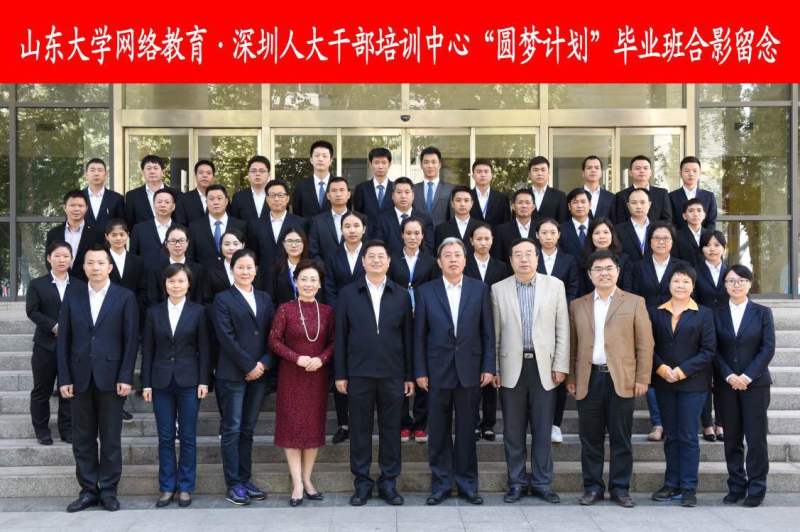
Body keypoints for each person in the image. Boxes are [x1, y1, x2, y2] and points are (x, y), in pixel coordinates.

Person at [567, 250, 654, 508]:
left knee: (621, 438)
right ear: (589, 274)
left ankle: (620, 488)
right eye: (598, 269)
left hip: (621, 379)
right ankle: (592, 487)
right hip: (589, 378)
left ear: (618, 271)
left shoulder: (634, 302)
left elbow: (645, 344)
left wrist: (642, 378)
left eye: (609, 268)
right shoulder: (578, 305)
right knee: (590, 439)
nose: (604, 273)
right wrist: (571, 376)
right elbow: (572, 345)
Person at [57, 244, 139, 513]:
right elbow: (64, 340)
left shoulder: (124, 297)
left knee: (111, 439)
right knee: (83, 439)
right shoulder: (73, 296)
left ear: (110, 267)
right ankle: (88, 490)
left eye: (100, 263)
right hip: (79, 377)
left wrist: (126, 375)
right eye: (90, 263)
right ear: (83, 267)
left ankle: (109, 490)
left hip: (112, 378)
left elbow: (130, 341)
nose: (95, 267)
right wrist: (64, 378)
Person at [414, 237, 495, 506]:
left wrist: (488, 366)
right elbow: (419, 336)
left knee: (466, 431)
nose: (452, 259)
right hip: (436, 372)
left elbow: (488, 332)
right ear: (439, 262)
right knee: (438, 432)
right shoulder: (425, 291)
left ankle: (467, 485)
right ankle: (441, 485)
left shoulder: (479, 289)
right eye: (447, 255)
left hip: (470, 370)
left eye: (457, 255)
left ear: (465, 259)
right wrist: (420, 371)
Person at [335, 241, 414, 506]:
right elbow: (340, 336)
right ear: (363, 261)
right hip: (358, 373)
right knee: (360, 430)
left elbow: (408, 338)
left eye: (382, 256)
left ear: (389, 262)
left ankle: (389, 482)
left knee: (391, 430)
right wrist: (340, 374)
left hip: (393, 373)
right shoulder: (348, 293)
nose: (377, 260)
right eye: (372, 256)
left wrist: (409, 375)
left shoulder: (401, 295)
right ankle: (362, 483)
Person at [492, 237, 569, 504]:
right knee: (513, 431)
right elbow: (495, 333)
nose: (524, 259)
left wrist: (560, 364)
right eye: (518, 254)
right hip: (511, 366)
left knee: (542, 429)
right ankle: (516, 482)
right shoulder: (498, 289)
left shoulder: (555, 286)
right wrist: (495, 367)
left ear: (537, 258)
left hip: (544, 367)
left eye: (529, 254)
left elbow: (562, 328)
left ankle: (542, 482)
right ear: (510, 260)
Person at [141, 264, 209, 508]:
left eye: (181, 281)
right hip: (160, 381)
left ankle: (186, 487)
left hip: (189, 381)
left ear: (189, 284)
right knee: (166, 437)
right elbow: (147, 350)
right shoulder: (154, 312)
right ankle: (167, 486)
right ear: (165, 284)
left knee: (188, 437)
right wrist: (146, 383)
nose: (176, 285)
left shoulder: (198, 312)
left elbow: (205, 349)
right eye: (171, 281)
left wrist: (204, 380)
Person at [269, 260, 335, 506]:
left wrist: (322, 359)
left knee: (312, 428)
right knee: (292, 428)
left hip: (317, 377)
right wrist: (296, 358)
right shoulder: (285, 309)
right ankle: (297, 483)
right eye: (304, 279)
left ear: (320, 285)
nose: (308, 284)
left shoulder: (327, 311)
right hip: (291, 376)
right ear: (295, 282)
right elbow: (274, 341)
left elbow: (334, 342)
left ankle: (307, 479)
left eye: (313, 280)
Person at [649, 265, 716, 508]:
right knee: (671, 435)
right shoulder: (656, 312)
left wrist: (682, 371)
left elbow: (708, 350)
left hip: (693, 384)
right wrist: (660, 368)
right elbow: (648, 346)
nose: (680, 285)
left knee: (688, 435)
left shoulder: (704, 314)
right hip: (664, 381)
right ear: (669, 284)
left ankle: (688, 487)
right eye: (676, 281)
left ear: (693, 286)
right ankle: (671, 483)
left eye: (686, 281)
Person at [212, 249, 275, 506]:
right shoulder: (222, 299)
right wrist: (249, 365)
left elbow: (273, 335)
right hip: (232, 373)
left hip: (259, 373)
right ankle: (233, 484)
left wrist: (264, 363)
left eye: (250, 267)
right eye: (240, 267)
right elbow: (225, 337)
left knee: (248, 429)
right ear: (232, 270)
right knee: (232, 428)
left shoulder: (265, 298)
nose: (245, 271)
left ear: (256, 270)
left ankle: (245, 479)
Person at [715, 265, 774, 507]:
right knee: (731, 438)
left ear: (750, 283)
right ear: (725, 285)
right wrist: (730, 376)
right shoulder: (716, 313)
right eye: (731, 281)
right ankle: (736, 485)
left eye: (741, 280)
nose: (736, 285)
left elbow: (767, 348)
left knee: (756, 437)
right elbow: (713, 349)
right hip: (726, 385)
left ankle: (757, 487)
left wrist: (747, 376)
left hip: (756, 385)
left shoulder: (762, 313)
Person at [630, 222, 689, 442]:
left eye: (666, 238)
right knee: (653, 369)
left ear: (672, 242)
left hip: (675, 323)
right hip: (645, 323)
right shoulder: (638, 266)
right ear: (649, 242)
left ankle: (674, 422)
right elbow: (631, 294)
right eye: (656, 238)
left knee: (671, 368)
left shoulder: (682, 266)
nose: (661, 242)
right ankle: (658, 423)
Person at [388, 216, 438, 444]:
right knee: (400, 368)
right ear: (402, 235)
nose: (412, 237)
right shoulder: (391, 259)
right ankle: (402, 422)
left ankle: (420, 423)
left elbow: (435, 289)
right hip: (397, 319)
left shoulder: (431, 261)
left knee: (422, 368)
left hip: (424, 319)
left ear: (423, 235)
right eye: (408, 233)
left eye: (417, 233)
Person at [323, 211, 368, 444]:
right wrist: (339, 312)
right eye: (347, 226)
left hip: (367, 318)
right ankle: (343, 423)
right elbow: (329, 286)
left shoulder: (371, 254)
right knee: (340, 368)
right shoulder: (333, 255)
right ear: (341, 230)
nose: (351, 230)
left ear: (364, 229)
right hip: (339, 318)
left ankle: (361, 422)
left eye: (356, 225)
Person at [534, 218, 579, 443]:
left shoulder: (569, 260)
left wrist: (558, 310)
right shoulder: (531, 258)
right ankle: (538, 422)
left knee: (558, 371)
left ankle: (555, 424)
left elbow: (574, 288)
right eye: (544, 232)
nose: (548, 236)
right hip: (535, 321)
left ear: (559, 235)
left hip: (561, 321)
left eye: (552, 232)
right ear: (537, 235)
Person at [464, 223, 510, 442]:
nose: (483, 243)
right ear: (471, 241)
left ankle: (488, 423)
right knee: (472, 375)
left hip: (494, 322)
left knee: (490, 373)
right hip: (469, 324)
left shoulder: (501, 267)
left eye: (487, 239)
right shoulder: (464, 264)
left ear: (492, 241)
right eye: (479, 239)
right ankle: (473, 422)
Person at [26, 240, 73, 446]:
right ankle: (42, 430)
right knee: (41, 390)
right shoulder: (37, 284)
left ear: (71, 259)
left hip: (71, 348)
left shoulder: (80, 285)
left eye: (66, 256)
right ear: (49, 258)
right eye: (57, 256)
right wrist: (54, 326)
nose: (62, 260)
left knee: (69, 389)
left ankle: (67, 429)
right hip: (45, 346)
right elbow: (32, 311)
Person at [247, 179, 307, 272]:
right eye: (272, 195)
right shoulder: (255, 225)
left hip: (291, 274)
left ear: (287, 198)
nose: (276, 199)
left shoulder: (301, 223)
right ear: (267, 199)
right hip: (264, 275)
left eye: (280, 195)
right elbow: (253, 254)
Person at [45, 190, 101, 282]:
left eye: (80, 206)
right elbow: (49, 261)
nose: (76, 209)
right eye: (72, 205)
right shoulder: (53, 233)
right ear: (65, 207)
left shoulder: (97, 234)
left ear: (86, 208)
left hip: (87, 284)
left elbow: (100, 260)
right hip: (60, 283)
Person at [145, 225, 207, 306]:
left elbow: (199, 299)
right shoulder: (155, 269)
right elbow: (153, 299)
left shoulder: (198, 270)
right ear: (166, 244)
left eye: (181, 240)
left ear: (187, 243)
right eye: (173, 241)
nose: (177, 245)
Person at [188, 184, 247, 266]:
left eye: (219, 198)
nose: (215, 202)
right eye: (211, 199)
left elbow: (245, 254)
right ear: (206, 202)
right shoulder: (194, 227)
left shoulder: (240, 226)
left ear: (226, 201)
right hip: (203, 273)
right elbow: (190, 257)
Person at [375, 176, 434, 257]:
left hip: (418, 262)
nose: (403, 196)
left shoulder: (425, 219)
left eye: (407, 192)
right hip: (391, 262)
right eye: (399, 192)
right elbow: (379, 246)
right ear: (392, 196)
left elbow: (429, 247)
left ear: (413, 196)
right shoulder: (382, 219)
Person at [579, 218, 632, 296]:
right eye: (597, 233)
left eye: (606, 232)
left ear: (612, 235)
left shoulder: (624, 259)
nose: (602, 236)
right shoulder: (583, 260)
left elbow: (627, 289)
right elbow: (582, 291)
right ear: (591, 236)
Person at [125, 154, 179, 228]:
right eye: (148, 168)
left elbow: (179, 221)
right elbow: (129, 224)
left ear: (163, 172)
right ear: (143, 172)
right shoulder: (132, 196)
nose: (152, 171)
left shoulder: (177, 194)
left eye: (156, 168)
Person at [614, 155, 673, 224]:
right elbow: (620, 221)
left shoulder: (662, 194)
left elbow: (667, 220)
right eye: (637, 168)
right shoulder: (621, 196)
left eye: (645, 168)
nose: (642, 171)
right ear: (630, 173)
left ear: (650, 172)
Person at [669, 156, 718, 231]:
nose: (691, 174)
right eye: (687, 171)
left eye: (695, 171)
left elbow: (711, 222)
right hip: (678, 237)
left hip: (703, 238)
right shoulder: (671, 197)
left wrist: (705, 236)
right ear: (680, 173)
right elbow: (670, 222)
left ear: (700, 174)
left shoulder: (709, 196)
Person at [308, 177, 351, 261]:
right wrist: (323, 268)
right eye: (334, 190)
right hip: (324, 268)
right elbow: (313, 251)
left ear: (348, 194)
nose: (338, 194)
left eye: (342, 190)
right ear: (328, 195)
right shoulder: (317, 222)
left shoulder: (359, 219)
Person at [352, 147, 396, 228]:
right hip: (368, 233)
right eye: (376, 163)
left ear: (389, 164)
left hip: (391, 232)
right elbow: (357, 214)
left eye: (384, 163)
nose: (380, 166)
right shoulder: (361, 189)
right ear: (370, 164)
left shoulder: (396, 188)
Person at [130, 188, 176, 264]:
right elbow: (133, 257)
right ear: (153, 205)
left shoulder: (182, 230)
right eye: (159, 202)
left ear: (173, 206)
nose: (163, 205)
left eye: (167, 202)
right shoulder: (139, 229)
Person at [412, 146, 454, 226]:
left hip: (442, 232)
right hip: (419, 233)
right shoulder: (413, 189)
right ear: (421, 165)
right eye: (426, 162)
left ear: (439, 165)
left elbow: (452, 217)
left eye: (434, 162)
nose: (430, 166)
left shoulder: (450, 189)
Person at [268, 228, 311, 304]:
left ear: (304, 243)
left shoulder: (312, 268)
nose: (293, 245)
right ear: (283, 244)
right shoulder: (276, 269)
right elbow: (273, 299)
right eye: (289, 241)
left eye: (298, 241)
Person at [292, 140, 334, 219]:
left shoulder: (339, 185)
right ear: (311, 160)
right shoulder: (301, 186)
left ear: (331, 160)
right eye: (317, 155)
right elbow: (297, 215)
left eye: (324, 156)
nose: (320, 159)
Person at [433, 185, 480, 254]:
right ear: (452, 203)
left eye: (466, 200)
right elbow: (438, 254)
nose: (462, 204)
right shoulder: (441, 229)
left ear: (472, 203)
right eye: (458, 200)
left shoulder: (480, 227)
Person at [492, 189, 536, 261]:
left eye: (527, 203)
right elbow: (497, 258)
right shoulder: (501, 230)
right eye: (520, 202)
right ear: (513, 206)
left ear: (533, 207)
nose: (524, 206)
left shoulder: (540, 229)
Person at [82, 158, 125, 229]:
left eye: (100, 170)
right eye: (92, 170)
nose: (96, 174)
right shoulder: (78, 197)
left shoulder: (117, 198)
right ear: (86, 174)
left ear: (106, 174)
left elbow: (121, 225)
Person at [469, 159, 511, 228]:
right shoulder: (466, 197)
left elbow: (506, 224)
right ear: (473, 176)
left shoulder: (502, 198)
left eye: (486, 171)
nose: (483, 175)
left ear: (491, 175)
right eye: (479, 172)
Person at [230, 155, 272, 223]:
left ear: (269, 174)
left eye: (262, 171)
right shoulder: (238, 197)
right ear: (248, 174)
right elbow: (234, 223)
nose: (257, 174)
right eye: (253, 171)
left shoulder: (275, 196)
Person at [175, 159, 216, 226]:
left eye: (208, 173)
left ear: (213, 177)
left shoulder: (221, 199)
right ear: (195, 176)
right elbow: (180, 225)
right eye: (201, 173)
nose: (204, 176)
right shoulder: (183, 199)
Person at [615, 188, 652, 262]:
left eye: (642, 202)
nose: (638, 206)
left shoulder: (658, 228)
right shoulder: (617, 230)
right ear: (628, 205)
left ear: (649, 204)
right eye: (634, 203)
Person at [528, 156, 568, 223]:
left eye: (543, 170)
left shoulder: (560, 196)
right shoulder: (523, 195)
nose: (539, 173)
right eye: (535, 170)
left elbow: (563, 222)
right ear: (529, 174)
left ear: (549, 173)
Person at [673, 198, 710, 268]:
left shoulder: (711, 235)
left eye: (699, 210)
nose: (695, 214)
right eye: (691, 211)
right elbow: (674, 260)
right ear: (684, 216)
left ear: (704, 215)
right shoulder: (676, 236)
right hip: (685, 273)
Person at [559, 188, 592, 259]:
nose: (579, 206)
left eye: (583, 202)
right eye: (575, 202)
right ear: (569, 206)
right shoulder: (560, 230)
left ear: (590, 205)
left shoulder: (597, 227)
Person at [581, 155, 616, 221]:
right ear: (583, 173)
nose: (593, 170)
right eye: (589, 168)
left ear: (601, 173)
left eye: (597, 168)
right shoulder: (574, 197)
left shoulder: (611, 197)